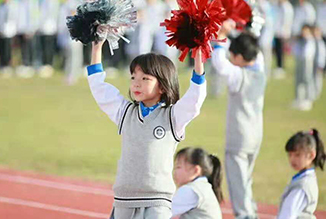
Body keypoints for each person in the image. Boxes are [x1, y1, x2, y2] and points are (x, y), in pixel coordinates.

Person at [87, 38, 206, 218]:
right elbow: (100, 89)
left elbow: (194, 100)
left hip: (158, 200)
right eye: (133, 77)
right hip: (124, 198)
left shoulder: (172, 116)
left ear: (163, 86)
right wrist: (97, 48)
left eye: (145, 78)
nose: (136, 83)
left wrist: (198, 61)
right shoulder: (125, 112)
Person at [211, 20, 266, 219]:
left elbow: (220, 63)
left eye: (233, 56)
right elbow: (256, 50)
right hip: (256, 135)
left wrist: (221, 37)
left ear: (240, 57)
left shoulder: (238, 75)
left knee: (237, 182)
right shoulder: (260, 70)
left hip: (239, 137)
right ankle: (250, 210)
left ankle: (245, 215)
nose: (231, 59)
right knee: (246, 179)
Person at [277, 129, 326, 219]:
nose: (292, 159)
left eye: (297, 155)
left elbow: (287, 214)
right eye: (290, 155)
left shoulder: (302, 186)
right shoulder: (306, 179)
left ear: (311, 155)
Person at [172, 147, 223, 219]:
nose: (174, 172)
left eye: (178, 167)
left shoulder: (191, 190)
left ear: (196, 170)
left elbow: (163, 212)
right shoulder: (202, 187)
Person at [292, 24, 316, 111]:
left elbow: (309, 53)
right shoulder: (300, 40)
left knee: (307, 79)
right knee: (298, 80)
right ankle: (299, 99)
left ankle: (308, 99)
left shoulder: (310, 40)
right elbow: (295, 50)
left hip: (307, 61)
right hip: (300, 61)